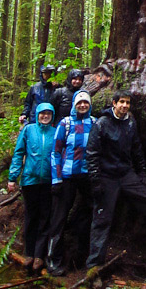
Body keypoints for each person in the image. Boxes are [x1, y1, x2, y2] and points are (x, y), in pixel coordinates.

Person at [86, 90, 146, 268]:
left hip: (126, 174)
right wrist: (95, 181)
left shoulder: (130, 123)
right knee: (102, 219)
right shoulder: (102, 124)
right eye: (122, 102)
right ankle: (94, 265)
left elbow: (136, 149)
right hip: (107, 176)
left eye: (127, 103)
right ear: (114, 103)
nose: (125, 106)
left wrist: (142, 173)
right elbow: (92, 154)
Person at [46, 90, 96, 276]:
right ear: (74, 104)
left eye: (85, 103)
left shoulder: (95, 123)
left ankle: (82, 257)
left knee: (88, 215)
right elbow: (56, 152)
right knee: (59, 217)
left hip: (87, 177)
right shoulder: (65, 124)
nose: (82, 105)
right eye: (79, 103)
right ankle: (53, 259)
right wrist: (56, 178)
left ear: (90, 105)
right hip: (67, 177)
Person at [8, 103, 56, 272]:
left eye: (48, 114)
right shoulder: (28, 130)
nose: (45, 116)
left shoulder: (55, 132)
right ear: (37, 114)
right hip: (30, 181)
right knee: (31, 216)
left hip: (48, 181)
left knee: (45, 217)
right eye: (42, 113)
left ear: (52, 115)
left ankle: (38, 255)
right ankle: (28, 252)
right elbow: (19, 153)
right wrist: (13, 177)